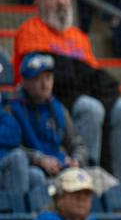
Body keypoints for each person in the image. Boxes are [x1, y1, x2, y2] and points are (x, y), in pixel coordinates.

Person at [13, 0, 121, 182]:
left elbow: (96, 78)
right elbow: (53, 78)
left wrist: (74, 72)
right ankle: (86, 180)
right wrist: (77, 73)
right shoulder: (30, 30)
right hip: (43, 102)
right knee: (91, 107)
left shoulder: (79, 36)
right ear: (38, 3)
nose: (61, 2)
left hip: (79, 95)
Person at [0, 53, 85, 195]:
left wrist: (76, 161)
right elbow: (12, 147)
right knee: (36, 176)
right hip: (32, 167)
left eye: (48, 78)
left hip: (61, 167)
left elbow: (78, 144)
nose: (45, 85)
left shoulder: (59, 109)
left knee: (99, 179)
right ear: (24, 81)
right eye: (38, 79)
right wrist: (38, 159)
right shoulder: (11, 107)